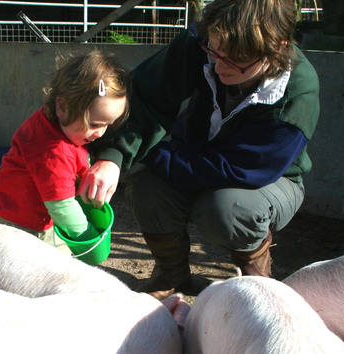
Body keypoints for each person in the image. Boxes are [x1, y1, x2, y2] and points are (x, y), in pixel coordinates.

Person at [79, 0, 320, 299]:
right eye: (215, 52)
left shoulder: (297, 91)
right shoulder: (203, 42)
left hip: (264, 181)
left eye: (236, 60)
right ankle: (171, 273)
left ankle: (258, 284)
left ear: (278, 47)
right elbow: (145, 97)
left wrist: (151, 155)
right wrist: (113, 156)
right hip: (193, 157)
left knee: (226, 209)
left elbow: (241, 169)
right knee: (146, 187)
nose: (219, 67)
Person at [0, 50, 130, 255]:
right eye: (95, 124)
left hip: (15, 204)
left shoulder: (64, 125)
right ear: (62, 106)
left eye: (108, 124)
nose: (100, 134)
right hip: (17, 221)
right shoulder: (52, 151)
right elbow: (61, 206)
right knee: (37, 269)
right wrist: (87, 238)